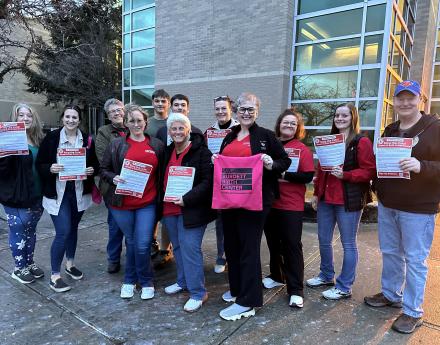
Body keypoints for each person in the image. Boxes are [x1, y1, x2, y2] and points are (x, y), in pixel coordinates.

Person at [364, 80, 440, 334]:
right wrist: (376, 185)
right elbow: (383, 162)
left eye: (411, 98)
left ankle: (412, 311)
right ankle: (390, 294)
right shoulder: (391, 129)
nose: (405, 103)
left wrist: (423, 166)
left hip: (418, 208)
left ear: (421, 100)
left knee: (416, 259)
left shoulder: (435, 128)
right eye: (400, 98)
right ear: (394, 102)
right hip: (389, 204)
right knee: (391, 252)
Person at [213, 92, 290, 321]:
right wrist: (215, 160)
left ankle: (249, 301)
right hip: (229, 201)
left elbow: (284, 160)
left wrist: (271, 163)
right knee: (232, 247)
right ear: (236, 111)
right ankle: (237, 289)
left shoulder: (266, 136)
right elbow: (223, 161)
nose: (246, 113)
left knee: (248, 248)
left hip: (255, 202)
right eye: (242, 109)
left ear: (257, 111)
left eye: (251, 109)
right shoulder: (229, 136)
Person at [307, 103, 375, 301]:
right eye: (337, 115)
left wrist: (345, 175)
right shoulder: (329, 141)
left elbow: (369, 171)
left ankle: (344, 286)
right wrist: (316, 194)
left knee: (348, 243)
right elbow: (321, 171)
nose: (340, 118)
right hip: (327, 199)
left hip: (348, 200)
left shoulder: (361, 142)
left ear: (353, 117)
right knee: (323, 239)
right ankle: (326, 276)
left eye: (344, 115)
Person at [100, 104, 164, 300]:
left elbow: (163, 174)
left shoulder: (156, 145)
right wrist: (114, 178)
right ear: (126, 123)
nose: (136, 124)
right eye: (132, 121)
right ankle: (130, 280)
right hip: (122, 204)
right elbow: (103, 169)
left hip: (147, 203)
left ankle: (144, 280)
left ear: (145, 122)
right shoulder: (117, 144)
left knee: (143, 244)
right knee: (132, 241)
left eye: (139, 120)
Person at [36, 105, 99, 293]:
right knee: (63, 231)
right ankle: (55, 275)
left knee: (73, 229)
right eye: (67, 117)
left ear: (79, 120)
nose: (71, 120)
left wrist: (91, 170)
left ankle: (70, 264)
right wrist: (50, 168)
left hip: (79, 193)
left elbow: (94, 164)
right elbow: (40, 164)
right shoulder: (52, 138)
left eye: (75, 117)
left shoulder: (87, 140)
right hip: (59, 193)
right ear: (62, 118)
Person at [161, 112, 215, 312]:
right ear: (169, 132)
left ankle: (198, 293)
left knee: (190, 249)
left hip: (191, 210)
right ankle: (182, 281)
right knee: (177, 248)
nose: (177, 132)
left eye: (181, 128)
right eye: (173, 128)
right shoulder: (167, 152)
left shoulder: (202, 152)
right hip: (169, 208)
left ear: (188, 130)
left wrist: (187, 198)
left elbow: (208, 182)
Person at [262, 109, 315, 308]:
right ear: (279, 124)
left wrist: (283, 175)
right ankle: (277, 275)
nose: (289, 126)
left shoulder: (302, 149)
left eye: (293, 124)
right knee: (273, 243)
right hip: (269, 203)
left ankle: (296, 289)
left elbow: (308, 176)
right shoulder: (269, 146)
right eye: (286, 122)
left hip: (291, 205)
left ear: (298, 128)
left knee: (292, 246)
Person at [154, 93, 203, 266]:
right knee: (176, 240)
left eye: (183, 105)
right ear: (171, 107)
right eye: (176, 105)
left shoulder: (197, 135)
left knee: (189, 245)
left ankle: (194, 286)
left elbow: (202, 171)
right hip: (168, 200)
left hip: (188, 201)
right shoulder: (162, 133)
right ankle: (168, 254)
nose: (180, 108)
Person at [0, 103, 45, 284]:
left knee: (31, 230)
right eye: (21, 115)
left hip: (37, 193)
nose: (25, 119)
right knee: (18, 229)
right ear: (15, 118)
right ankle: (19, 268)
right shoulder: (7, 139)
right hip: (15, 195)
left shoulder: (39, 139)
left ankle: (29, 262)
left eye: (29, 115)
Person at [205, 95, 239, 274]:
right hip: (218, 183)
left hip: (236, 181)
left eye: (223, 108)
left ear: (230, 109)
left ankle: (236, 256)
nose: (220, 112)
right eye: (217, 108)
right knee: (221, 221)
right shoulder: (209, 132)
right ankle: (221, 255)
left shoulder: (240, 129)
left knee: (238, 221)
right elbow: (204, 155)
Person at [95, 98, 128, 274]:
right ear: (108, 116)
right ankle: (113, 258)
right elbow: (103, 160)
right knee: (115, 224)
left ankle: (136, 256)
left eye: (119, 110)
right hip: (113, 186)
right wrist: (128, 171)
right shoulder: (104, 132)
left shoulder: (132, 126)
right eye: (112, 111)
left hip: (134, 186)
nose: (117, 113)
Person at [147, 89, 171, 261]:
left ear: (168, 104)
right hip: (151, 173)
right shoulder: (147, 123)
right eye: (157, 101)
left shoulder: (174, 121)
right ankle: (152, 241)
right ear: (153, 102)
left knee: (168, 212)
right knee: (153, 210)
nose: (160, 104)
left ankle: (166, 247)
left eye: (163, 101)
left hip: (171, 172)